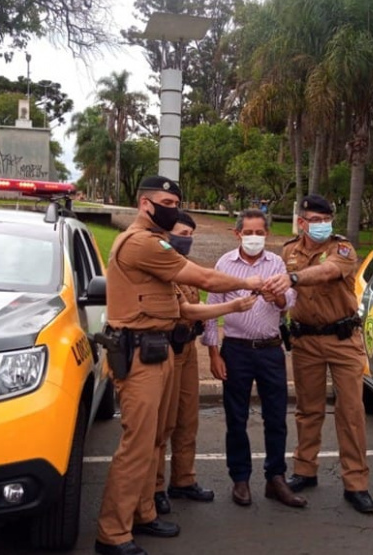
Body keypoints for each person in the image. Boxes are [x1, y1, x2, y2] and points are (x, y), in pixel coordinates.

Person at [95, 176, 263, 555]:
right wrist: (250, 281)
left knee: (155, 439)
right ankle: (113, 533)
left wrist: (232, 306)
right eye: (167, 201)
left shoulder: (154, 246)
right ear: (145, 205)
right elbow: (202, 277)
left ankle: (142, 512)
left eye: (176, 201)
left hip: (156, 351)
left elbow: (183, 308)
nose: (173, 207)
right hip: (140, 355)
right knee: (137, 446)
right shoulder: (142, 243)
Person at [262, 194, 373, 515]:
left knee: (351, 412)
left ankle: (356, 483)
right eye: (315, 220)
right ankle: (304, 470)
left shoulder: (342, 249)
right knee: (308, 409)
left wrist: (293, 277)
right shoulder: (288, 252)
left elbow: (327, 273)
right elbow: (282, 292)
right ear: (301, 222)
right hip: (305, 341)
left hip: (343, 339)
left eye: (327, 220)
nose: (323, 225)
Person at [202, 209, 306, 509]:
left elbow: (291, 301)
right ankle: (241, 479)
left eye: (260, 232)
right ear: (237, 234)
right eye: (248, 232)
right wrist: (212, 353)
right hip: (235, 350)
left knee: (276, 417)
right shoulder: (224, 264)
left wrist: (278, 297)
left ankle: (276, 478)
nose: (254, 238)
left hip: (271, 349)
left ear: (267, 234)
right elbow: (212, 311)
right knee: (236, 417)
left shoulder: (276, 264)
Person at [153, 211, 215, 515]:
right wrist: (234, 303)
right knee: (164, 422)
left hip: (188, 348)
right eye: (181, 234)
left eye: (190, 236)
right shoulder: (161, 267)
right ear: (167, 234)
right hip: (168, 350)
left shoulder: (186, 268)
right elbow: (188, 309)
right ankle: (154, 487)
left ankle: (183, 479)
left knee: (188, 418)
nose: (185, 240)